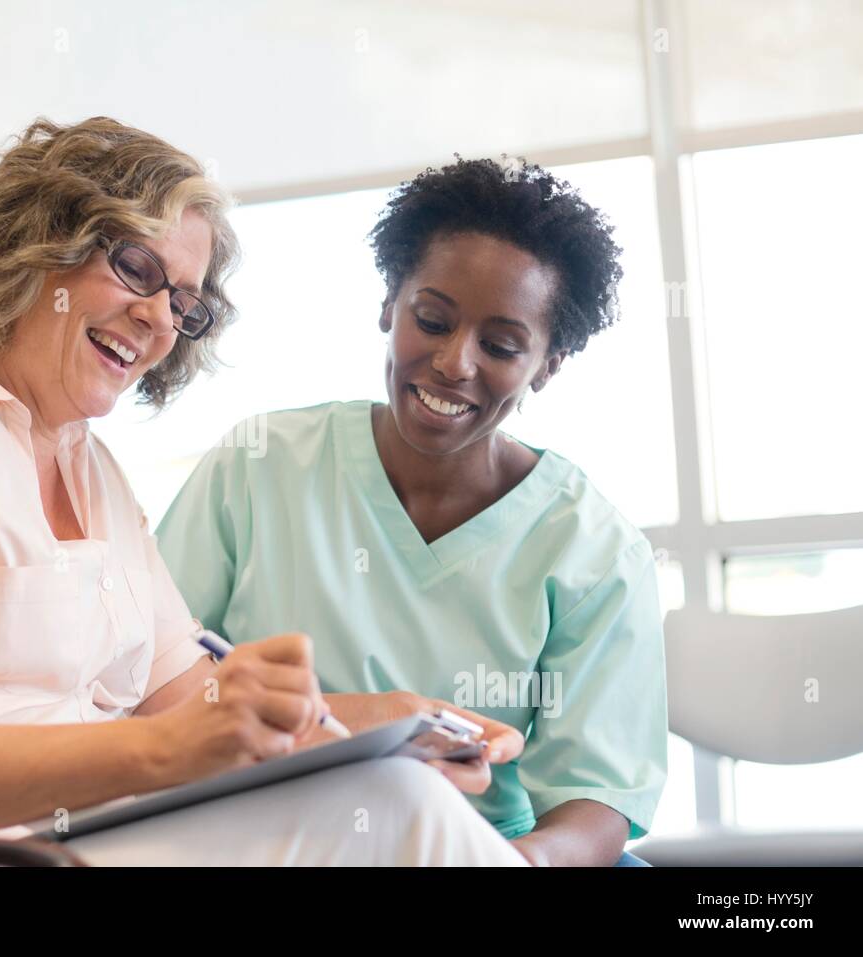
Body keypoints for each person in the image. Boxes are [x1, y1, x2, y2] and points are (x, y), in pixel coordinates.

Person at [0, 118, 528, 866]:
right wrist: (168, 750)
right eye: (136, 268)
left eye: (183, 301)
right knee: (395, 811)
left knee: (387, 787)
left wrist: (386, 718)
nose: (158, 318)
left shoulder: (92, 469)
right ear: (38, 241)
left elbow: (185, 694)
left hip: (67, 842)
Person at [157, 157, 668, 866]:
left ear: (547, 364)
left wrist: (516, 863)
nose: (455, 363)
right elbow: (143, 676)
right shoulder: (258, 466)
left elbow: (596, 802)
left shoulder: (593, 550)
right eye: (431, 319)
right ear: (388, 305)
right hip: (270, 837)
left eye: (501, 345)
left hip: (485, 849)